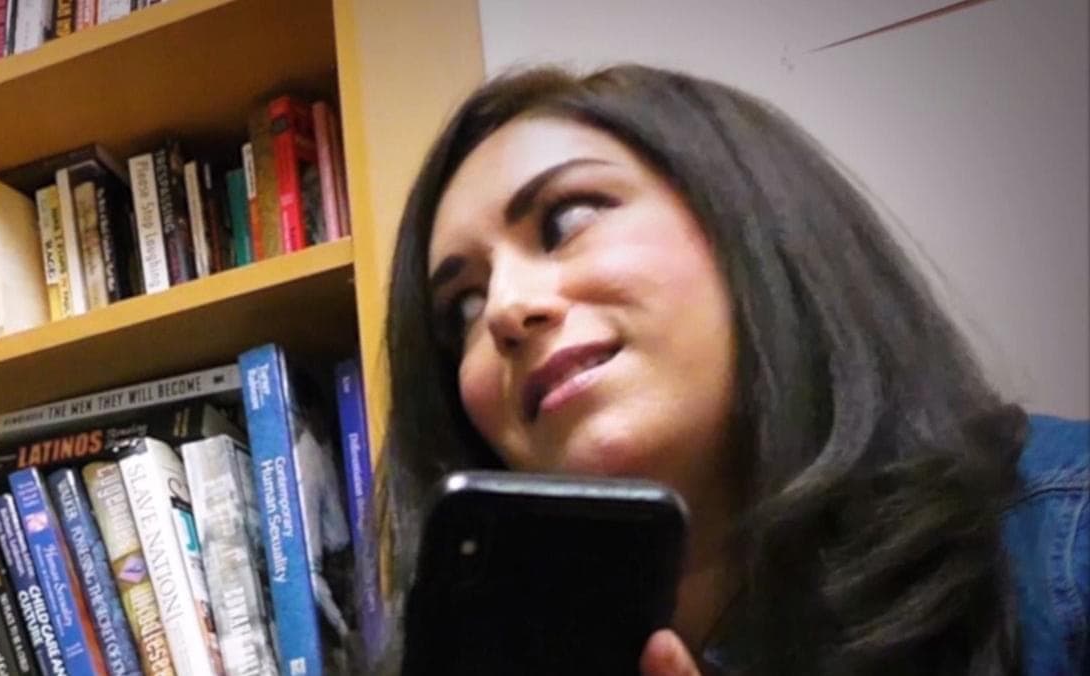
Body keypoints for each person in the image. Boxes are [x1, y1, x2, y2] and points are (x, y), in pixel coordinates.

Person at [376, 65, 1087, 675]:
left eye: (565, 221)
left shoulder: (1063, 544)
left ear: (746, 222)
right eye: (462, 308)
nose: (504, 310)